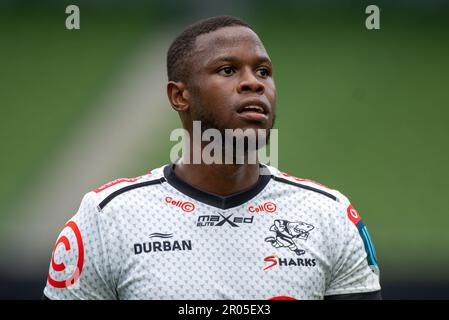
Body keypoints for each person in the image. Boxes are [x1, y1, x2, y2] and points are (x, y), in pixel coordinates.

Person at [43, 15, 381, 300]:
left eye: (263, 71)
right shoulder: (107, 219)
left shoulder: (329, 216)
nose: (254, 83)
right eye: (228, 70)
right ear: (179, 96)